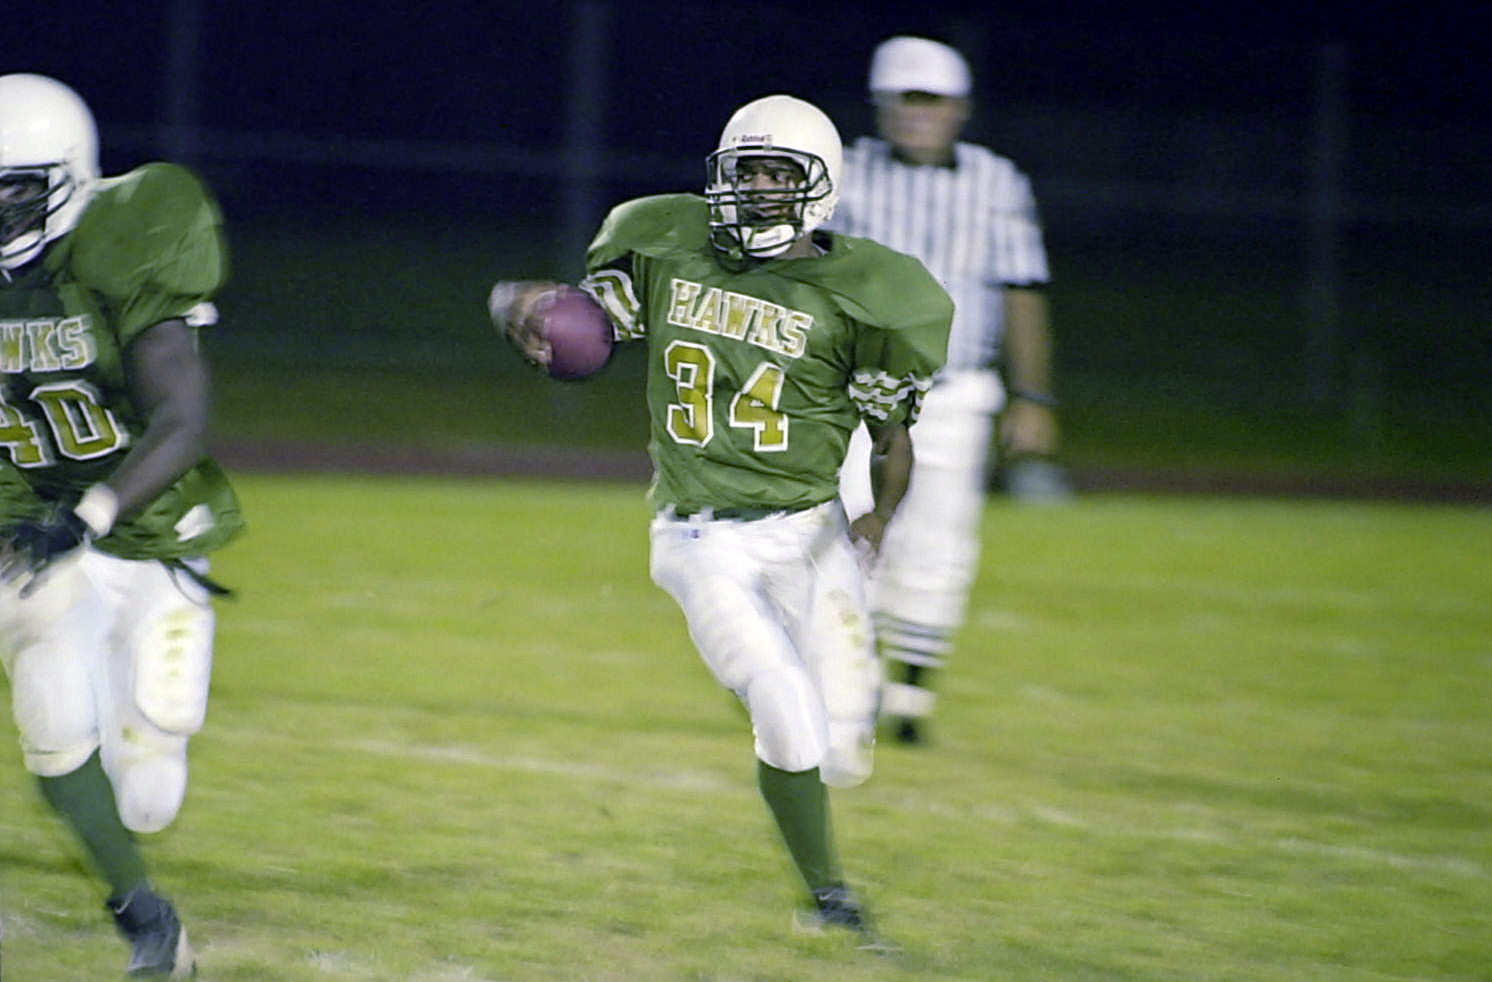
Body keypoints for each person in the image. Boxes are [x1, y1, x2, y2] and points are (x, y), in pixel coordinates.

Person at [489, 94, 949, 945]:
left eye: (779, 173)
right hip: (701, 535)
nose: (758, 190)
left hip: (811, 532)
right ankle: (830, 899)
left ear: (819, 187)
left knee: (843, 751)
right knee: (785, 706)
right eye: (746, 171)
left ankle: (802, 755)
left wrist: (877, 522)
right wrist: (522, 305)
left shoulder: (868, 295)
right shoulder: (666, 244)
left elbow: (894, 437)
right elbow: (587, 331)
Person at [0, 73, 244, 978]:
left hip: (145, 525)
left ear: (68, 179)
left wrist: (90, 514)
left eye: (13, 191)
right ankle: (148, 921)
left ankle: (167, 664)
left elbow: (181, 421)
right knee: (54, 720)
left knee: (148, 794)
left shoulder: (121, 244)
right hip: (33, 519)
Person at [831, 36, 1068, 746]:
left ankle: (910, 700)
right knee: (846, 534)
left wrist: (1034, 397)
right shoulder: (846, 171)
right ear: (880, 105)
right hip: (856, 391)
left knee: (939, 543)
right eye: (902, 99)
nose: (916, 112)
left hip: (956, 390)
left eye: (929, 99)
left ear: (959, 106)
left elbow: (1022, 290)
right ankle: (856, 681)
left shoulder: (996, 181)